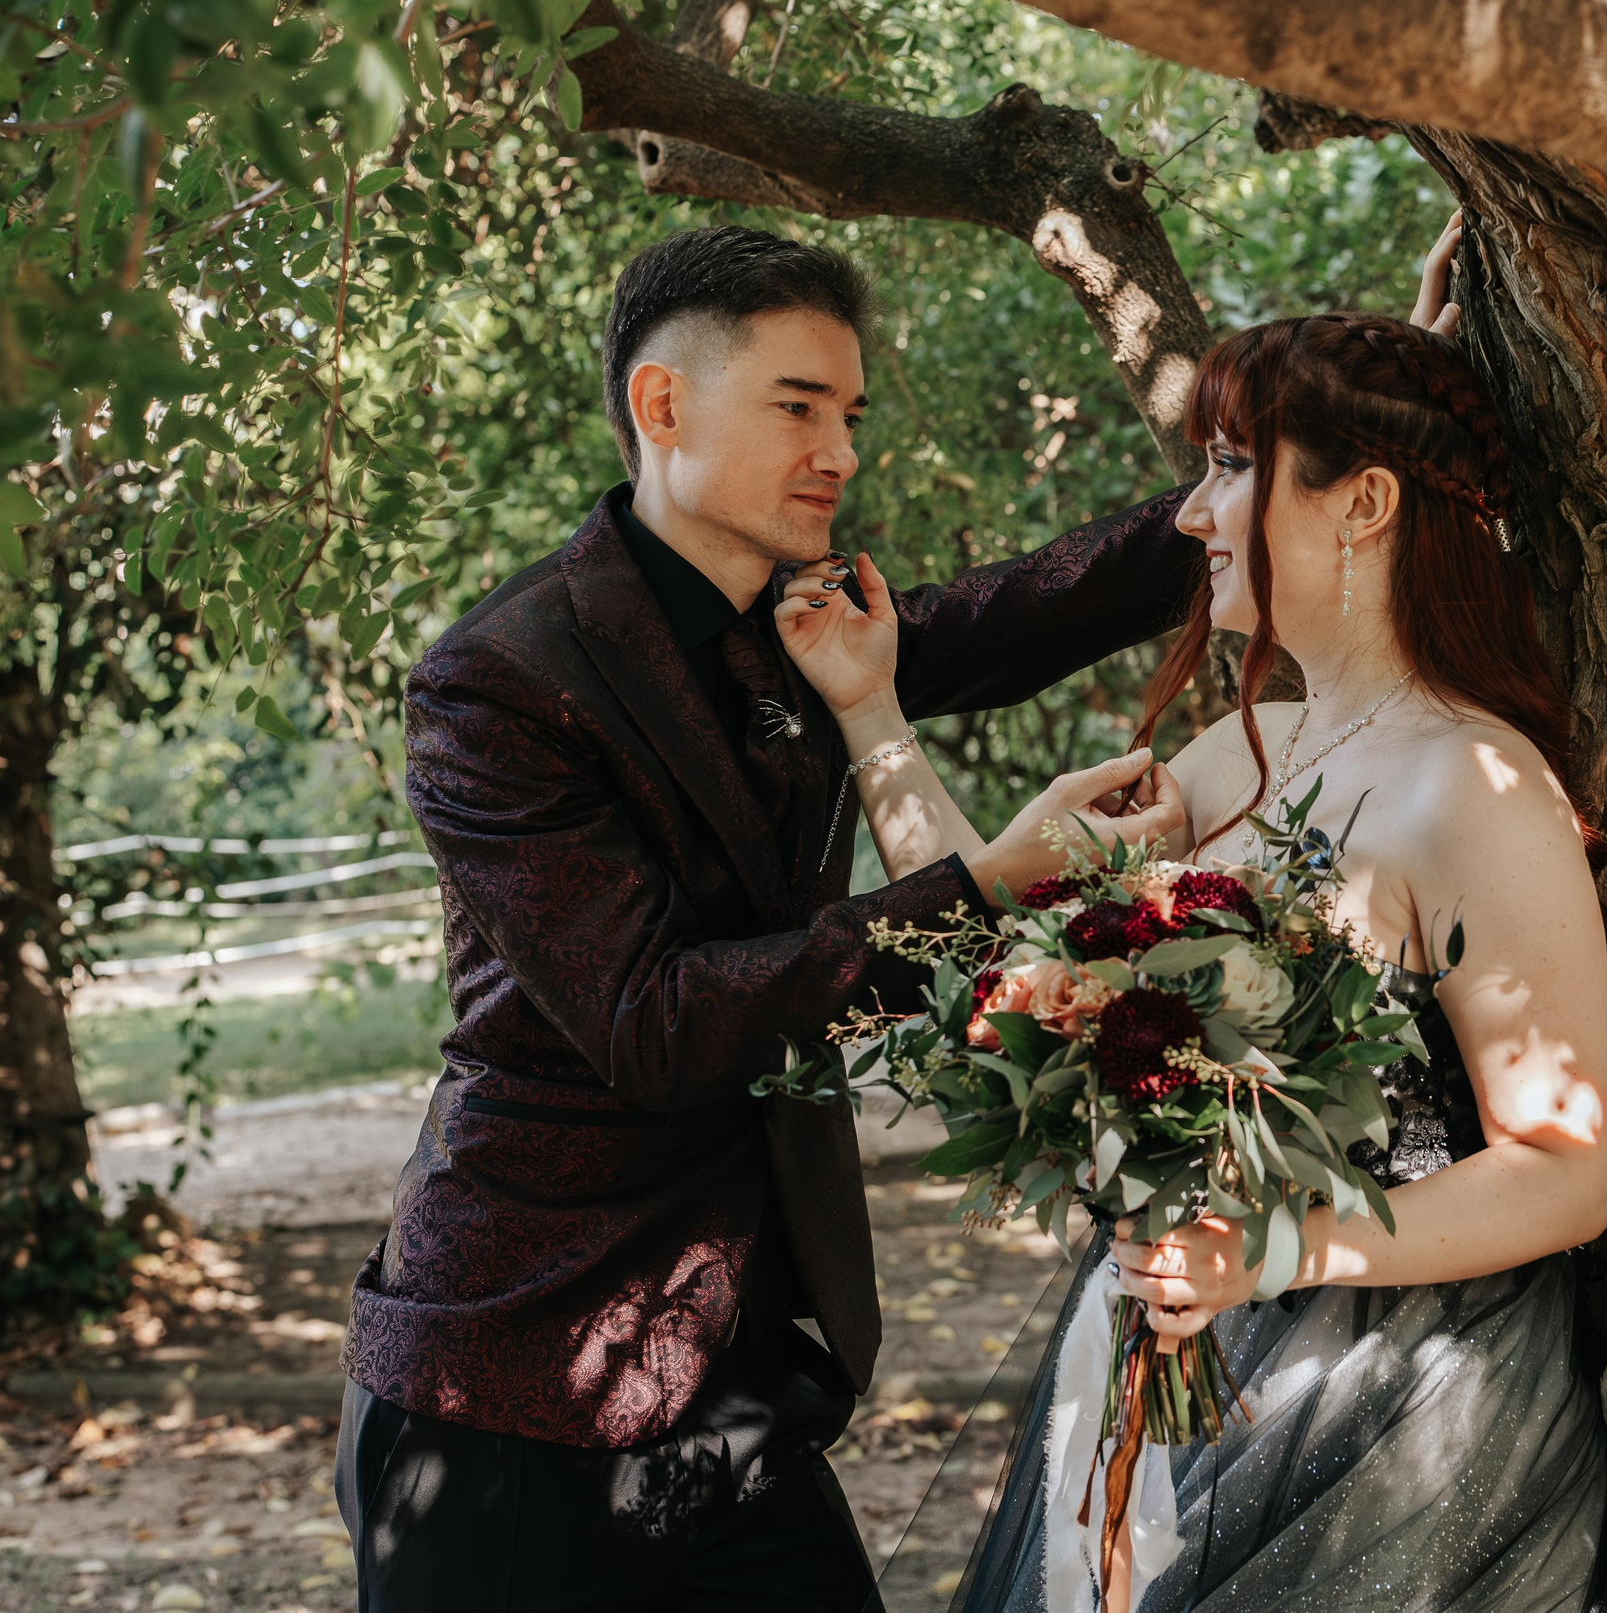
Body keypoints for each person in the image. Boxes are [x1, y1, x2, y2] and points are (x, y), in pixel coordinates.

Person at [334, 224, 1194, 1611]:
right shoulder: (498, 681)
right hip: (511, 1384)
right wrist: (987, 883)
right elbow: (655, 1019)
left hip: (731, 1380)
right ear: (661, 405)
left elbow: (1029, 609)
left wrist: (1287, 459)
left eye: (851, 415)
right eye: (799, 407)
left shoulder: (798, 624)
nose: (840, 452)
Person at [820, 216, 1607, 1611]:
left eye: (1233, 467)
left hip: (1378, 1407)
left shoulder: (1479, 786)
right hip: (1173, 1344)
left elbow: (1567, 1167)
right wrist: (869, 709)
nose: (1193, 514)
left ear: (1364, 505)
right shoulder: (1235, 757)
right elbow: (988, 966)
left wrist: (1272, 1250)